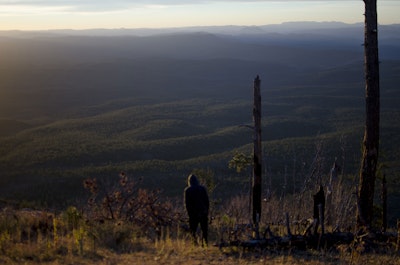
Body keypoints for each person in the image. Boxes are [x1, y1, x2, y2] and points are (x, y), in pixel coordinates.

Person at [184, 174, 209, 246]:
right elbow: (207, 202)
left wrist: (190, 214)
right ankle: (205, 244)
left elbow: (187, 204)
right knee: (204, 230)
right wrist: (206, 212)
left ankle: (194, 243)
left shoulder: (188, 190)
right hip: (203, 212)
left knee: (193, 230)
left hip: (193, 214)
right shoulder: (202, 189)